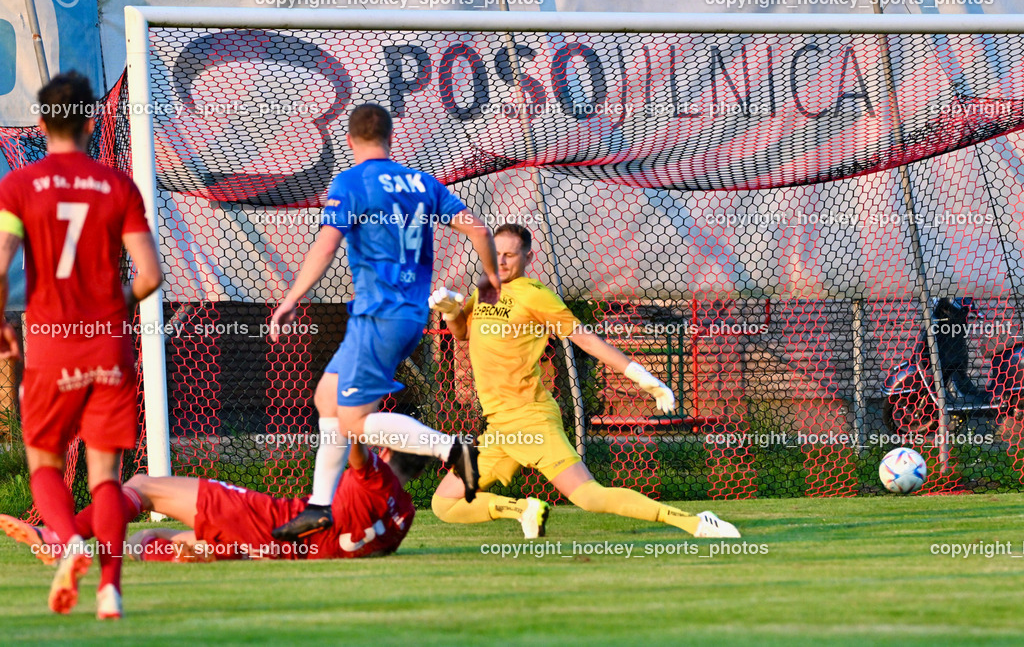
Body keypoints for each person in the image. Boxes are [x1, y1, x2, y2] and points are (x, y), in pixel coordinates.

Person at [268, 103, 500, 541]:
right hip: (406, 315)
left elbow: (325, 245)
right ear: (391, 139)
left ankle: (453, 447)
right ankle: (320, 506)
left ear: (351, 141)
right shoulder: (423, 183)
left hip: (379, 316)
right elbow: (480, 230)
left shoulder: (351, 182)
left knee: (354, 422)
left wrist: (292, 297)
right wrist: (491, 279)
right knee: (327, 399)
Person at [428, 224, 740, 539]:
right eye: (496, 254)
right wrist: (452, 312)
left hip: (530, 421)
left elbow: (587, 341)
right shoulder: (485, 289)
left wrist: (641, 375)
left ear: (528, 257)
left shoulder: (537, 296)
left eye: (510, 254)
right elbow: (463, 334)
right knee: (445, 503)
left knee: (589, 496)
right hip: (499, 428)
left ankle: (697, 523)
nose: (502, 261)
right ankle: (523, 510)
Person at [0, 72, 163, 618]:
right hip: (108, 345)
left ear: (40, 124)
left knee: (44, 461)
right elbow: (149, 276)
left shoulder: (18, 186)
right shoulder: (119, 187)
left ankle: (69, 544)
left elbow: (0, 265)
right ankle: (110, 589)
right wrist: (111, 304)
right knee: (105, 477)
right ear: (93, 124)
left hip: (49, 345)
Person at [0, 441, 429, 564]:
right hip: (277, 551)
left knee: (143, 484)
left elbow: (348, 427)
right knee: (152, 537)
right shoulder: (403, 516)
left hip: (266, 520)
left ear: (387, 452)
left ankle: (60, 537)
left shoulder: (373, 474)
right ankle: (161, 549)